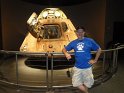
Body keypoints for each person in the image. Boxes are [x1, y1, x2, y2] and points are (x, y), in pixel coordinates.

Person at [62, 26, 101, 93]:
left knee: (87, 83)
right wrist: (66, 53)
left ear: (84, 33)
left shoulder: (89, 41)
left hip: (88, 67)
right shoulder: (73, 42)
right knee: (76, 83)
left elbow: (99, 49)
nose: (80, 33)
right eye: (78, 32)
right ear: (76, 33)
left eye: (81, 32)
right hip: (77, 67)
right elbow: (64, 49)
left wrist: (95, 60)